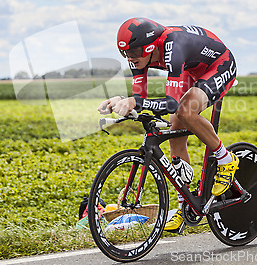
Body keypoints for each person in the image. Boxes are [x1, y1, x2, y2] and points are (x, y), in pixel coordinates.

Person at [97, 17, 239, 234]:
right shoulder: (137, 57)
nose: (130, 58)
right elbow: (139, 96)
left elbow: (171, 103)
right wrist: (121, 101)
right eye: (125, 54)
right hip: (191, 71)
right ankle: (187, 205)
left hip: (219, 64)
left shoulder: (173, 46)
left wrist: (135, 102)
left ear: (150, 47)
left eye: (134, 53)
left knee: (184, 110)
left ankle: (226, 159)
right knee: (175, 132)